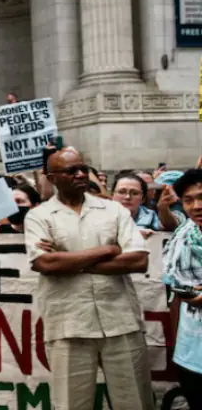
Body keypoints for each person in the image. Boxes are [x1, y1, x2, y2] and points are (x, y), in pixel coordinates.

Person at [24, 148, 152, 410]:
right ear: (52, 177)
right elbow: (45, 263)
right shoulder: (39, 216)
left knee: (135, 403)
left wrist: (69, 261)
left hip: (120, 322)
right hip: (69, 324)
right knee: (71, 404)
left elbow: (138, 260)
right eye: (71, 171)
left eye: (83, 168)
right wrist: (107, 250)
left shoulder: (114, 210)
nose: (81, 174)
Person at [162, 169, 202, 408]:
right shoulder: (182, 238)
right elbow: (175, 294)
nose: (196, 206)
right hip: (192, 352)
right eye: (188, 200)